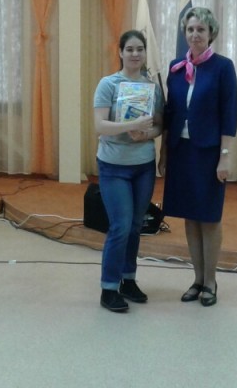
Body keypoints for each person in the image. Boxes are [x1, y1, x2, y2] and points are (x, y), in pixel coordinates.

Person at [160, 7, 237, 307]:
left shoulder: (223, 67)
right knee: (190, 218)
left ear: (211, 34)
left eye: (201, 30)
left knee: (209, 217)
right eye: (190, 29)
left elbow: (229, 115)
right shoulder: (176, 67)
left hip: (208, 153)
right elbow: (170, 114)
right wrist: (164, 153)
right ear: (185, 33)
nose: (195, 35)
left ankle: (210, 281)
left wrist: (225, 157)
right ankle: (196, 278)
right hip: (181, 152)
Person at [92, 29, 165, 313]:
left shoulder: (152, 88)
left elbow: (159, 126)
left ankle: (128, 280)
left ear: (145, 53)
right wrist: (131, 126)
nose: (135, 54)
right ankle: (108, 288)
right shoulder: (108, 84)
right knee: (120, 226)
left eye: (140, 49)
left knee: (135, 226)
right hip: (113, 166)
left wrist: (146, 135)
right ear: (121, 52)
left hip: (143, 166)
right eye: (130, 49)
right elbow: (100, 125)